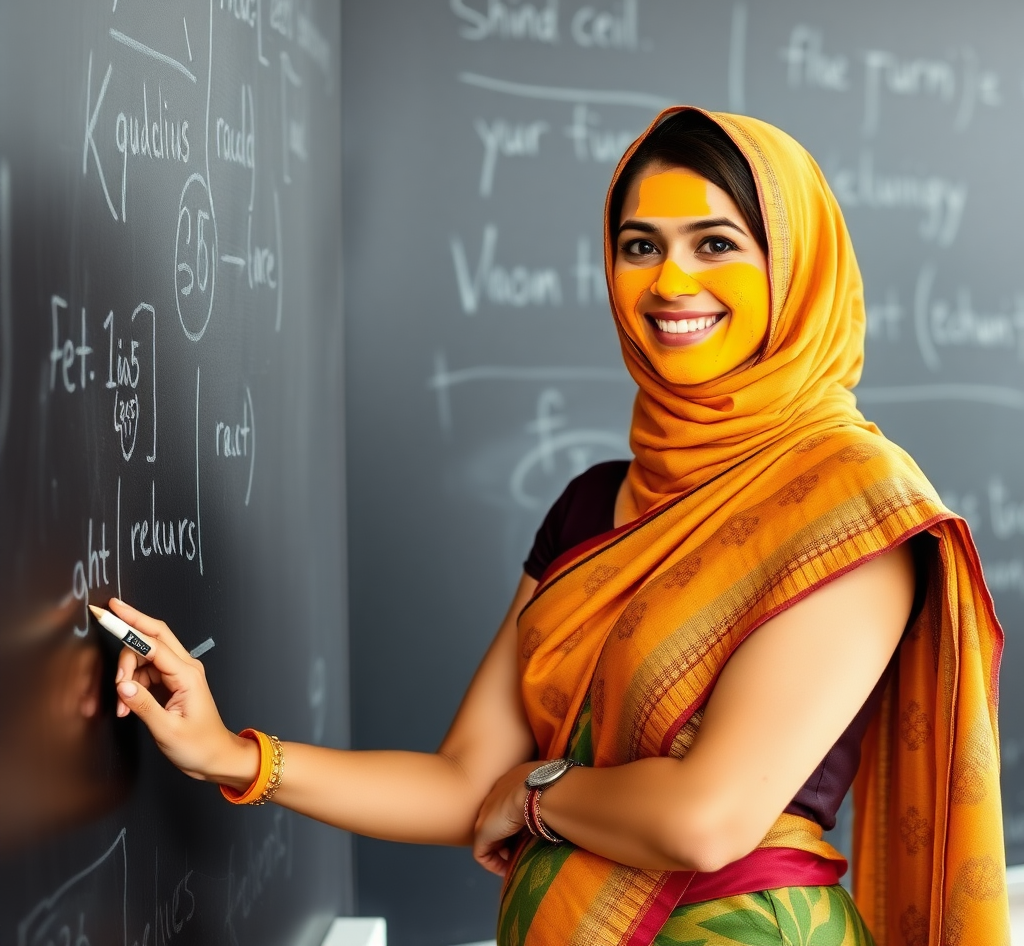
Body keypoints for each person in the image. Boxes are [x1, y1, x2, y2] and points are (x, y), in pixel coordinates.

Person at [109, 107, 1008, 946]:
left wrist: (543, 793)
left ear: (797, 268)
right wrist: (232, 756)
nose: (670, 281)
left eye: (718, 243)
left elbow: (708, 818)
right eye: (639, 245)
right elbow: (465, 784)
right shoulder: (592, 503)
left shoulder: (851, 503)